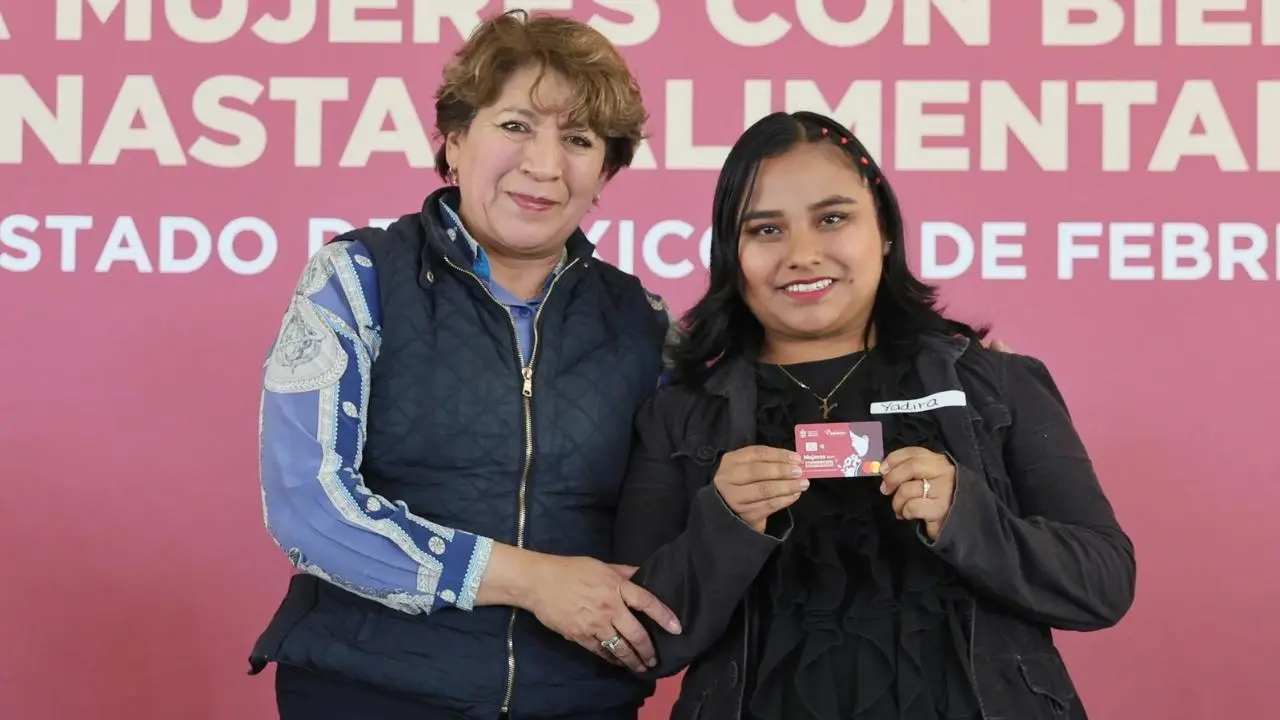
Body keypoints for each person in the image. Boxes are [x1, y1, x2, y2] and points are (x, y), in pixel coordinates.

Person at [612, 111, 1137, 720]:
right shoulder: (680, 412)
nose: (802, 254)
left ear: (884, 229)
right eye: (766, 229)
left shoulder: (996, 382)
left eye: (832, 218)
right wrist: (725, 525)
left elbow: (1102, 585)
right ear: (731, 253)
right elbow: (641, 640)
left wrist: (966, 515)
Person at [247, 10, 684, 720]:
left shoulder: (645, 323)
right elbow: (308, 506)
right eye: (515, 125)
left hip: (577, 700)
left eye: (578, 140)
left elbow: (678, 518)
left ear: (605, 173)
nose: (544, 165)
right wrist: (531, 580)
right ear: (454, 141)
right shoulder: (358, 278)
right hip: (370, 692)